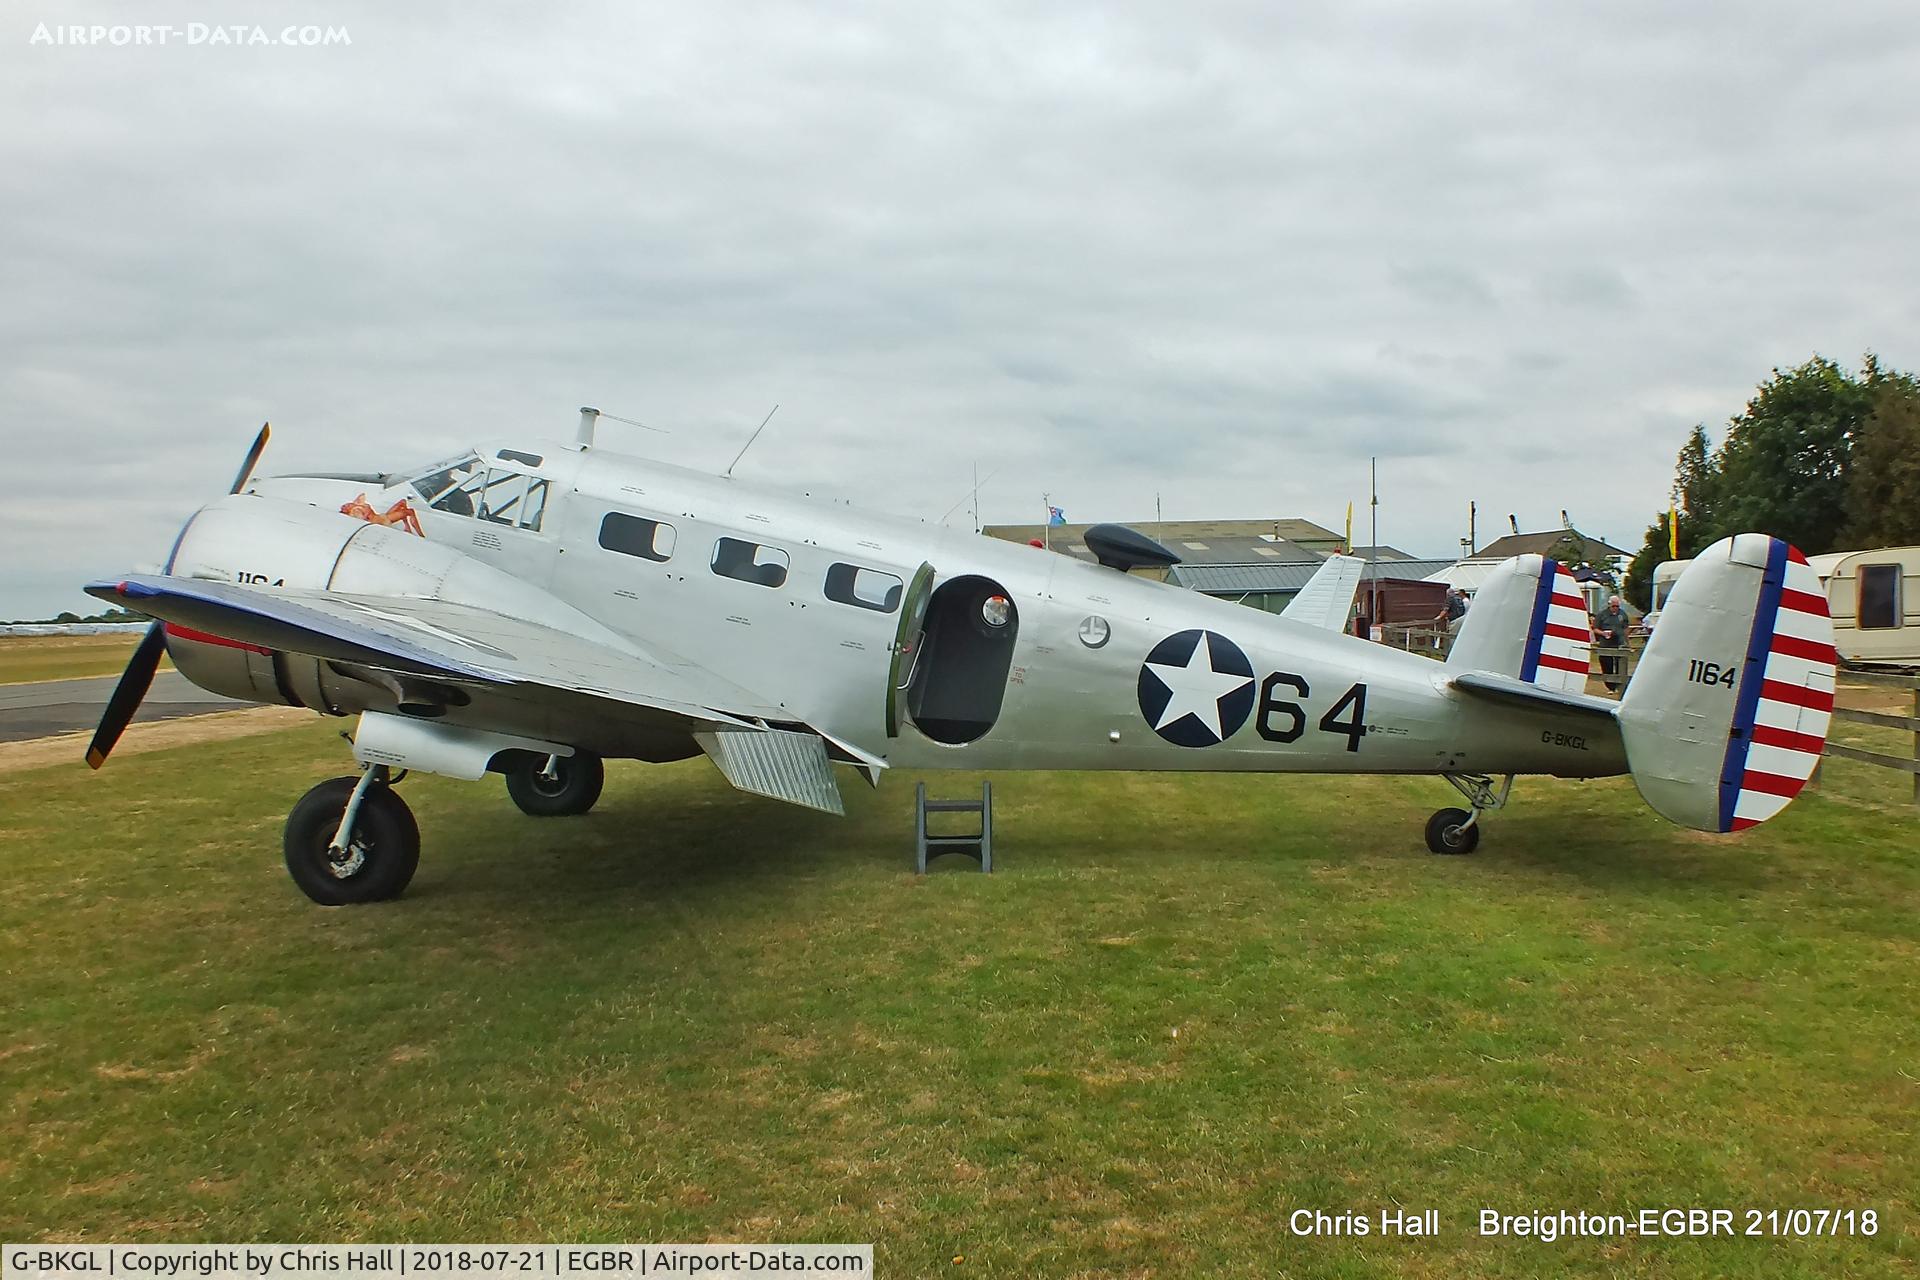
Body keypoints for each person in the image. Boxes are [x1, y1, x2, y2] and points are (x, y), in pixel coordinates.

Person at [1593, 593, 1630, 692]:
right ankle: (1610, 687)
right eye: (1613, 606)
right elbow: (1595, 629)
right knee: (1606, 665)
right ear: (1609, 605)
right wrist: (1603, 633)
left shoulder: (1622, 614)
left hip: (1619, 643)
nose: (1615, 608)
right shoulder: (1602, 614)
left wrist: (1626, 640)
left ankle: (1619, 686)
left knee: (1620, 665)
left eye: (1617, 606)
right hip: (1606, 643)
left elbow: (1626, 627)